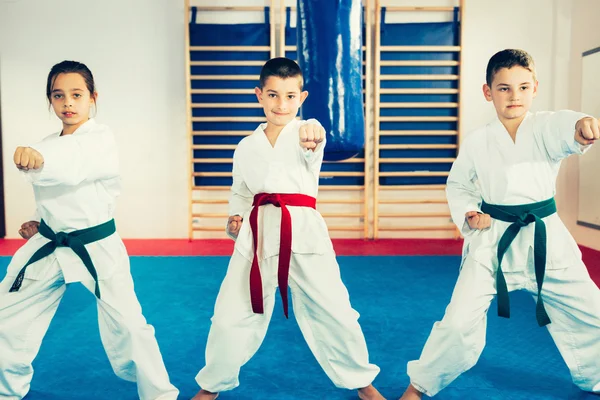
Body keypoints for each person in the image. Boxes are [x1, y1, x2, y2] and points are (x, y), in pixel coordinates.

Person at [400, 48, 600, 399]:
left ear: (535, 88)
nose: (514, 96)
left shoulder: (544, 127)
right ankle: (419, 387)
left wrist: (581, 125)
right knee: (458, 322)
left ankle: (595, 377)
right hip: (492, 239)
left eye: (523, 87)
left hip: (545, 238)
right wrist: (469, 213)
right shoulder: (477, 140)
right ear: (487, 92)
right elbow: (459, 184)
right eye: (504, 88)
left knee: (592, 310)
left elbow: (565, 126)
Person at [192, 57, 384, 400]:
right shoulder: (246, 146)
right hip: (258, 233)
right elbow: (240, 191)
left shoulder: (307, 131)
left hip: (304, 230)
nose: (282, 104)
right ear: (259, 95)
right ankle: (211, 386)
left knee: (335, 310)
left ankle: (363, 383)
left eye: (290, 96)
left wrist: (312, 134)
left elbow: (314, 144)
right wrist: (235, 217)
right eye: (273, 95)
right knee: (229, 314)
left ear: (302, 97)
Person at [0, 60, 179, 400]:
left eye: (76, 94)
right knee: (6, 317)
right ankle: (6, 392)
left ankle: (161, 395)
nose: (68, 102)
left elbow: (72, 167)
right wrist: (40, 219)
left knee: (130, 326)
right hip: (51, 245)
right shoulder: (47, 142)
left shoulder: (100, 139)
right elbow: (56, 190)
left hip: (97, 247)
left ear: (92, 97)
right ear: (50, 101)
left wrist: (37, 159)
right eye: (58, 95)